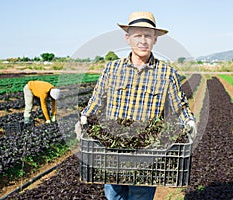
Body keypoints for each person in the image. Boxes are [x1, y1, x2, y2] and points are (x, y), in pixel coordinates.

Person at [78, 11, 195, 200]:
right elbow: (96, 100)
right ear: (128, 38)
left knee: (141, 194)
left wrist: (189, 121)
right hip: (112, 148)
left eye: (148, 35)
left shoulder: (166, 73)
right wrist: (84, 117)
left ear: (155, 39)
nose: (143, 41)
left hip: (146, 151)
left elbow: (179, 106)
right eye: (137, 35)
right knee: (114, 194)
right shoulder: (111, 69)